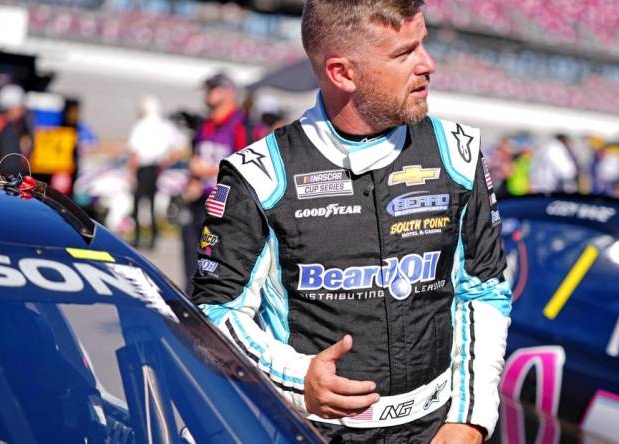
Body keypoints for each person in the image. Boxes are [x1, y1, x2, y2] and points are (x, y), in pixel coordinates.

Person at [190, 1, 512, 442]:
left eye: (423, 44)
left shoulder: (458, 153)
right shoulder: (259, 175)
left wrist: (469, 419)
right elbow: (213, 312)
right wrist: (298, 378)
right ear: (343, 73)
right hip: (310, 430)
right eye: (404, 54)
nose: (428, 65)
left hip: (438, 428)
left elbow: (484, 289)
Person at [181, 72, 247, 294]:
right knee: (191, 255)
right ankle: (190, 300)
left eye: (214, 89)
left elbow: (244, 164)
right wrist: (192, 180)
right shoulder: (205, 125)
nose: (209, 95)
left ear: (229, 92)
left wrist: (208, 170)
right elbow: (197, 158)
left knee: (216, 258)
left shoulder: (241, 124)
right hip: (200, 199)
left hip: (224, 201)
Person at [126, 95, 181, 249]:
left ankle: (137, 237)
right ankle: (153, 238)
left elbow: (134, 154)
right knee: (151, 203)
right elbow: (177, 151)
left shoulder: (141, 126)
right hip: (156, 168)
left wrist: (130, 173)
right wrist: (164, 164)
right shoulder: (166, 126)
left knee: (138, 203)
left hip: (143, 168)